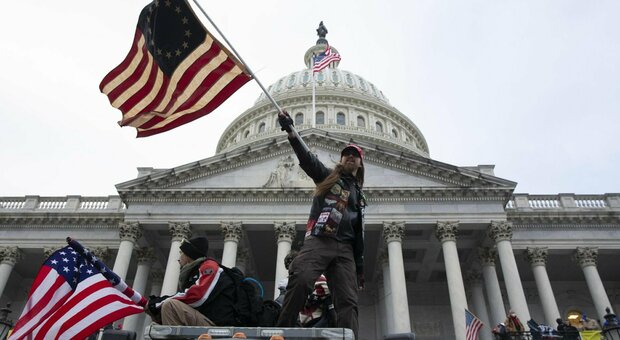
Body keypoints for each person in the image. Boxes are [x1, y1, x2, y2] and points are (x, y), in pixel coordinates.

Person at [275, 111, 367, 337]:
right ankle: (281, 330)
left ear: (360, 164)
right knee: (301, 278)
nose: (349, 157)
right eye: (346, 155)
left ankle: (349, 336)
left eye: (354, 155)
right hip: (320, 239)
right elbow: (308, 161)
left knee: (347, 299)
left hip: (345, 249)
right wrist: (291, 132)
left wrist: (359, 269)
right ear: (341, 160)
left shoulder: (359, 196)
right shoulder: (328, 178)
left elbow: (358, 235)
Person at [147, 236, 235, 326]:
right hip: (205, 319)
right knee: (163, 313)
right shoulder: (194, 272)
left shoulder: (209, 266)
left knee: (170, 305)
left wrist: (157, 303)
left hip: (216, 324)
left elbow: (198, 296)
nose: (178, 259)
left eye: (181, 253)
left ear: (188, 255)